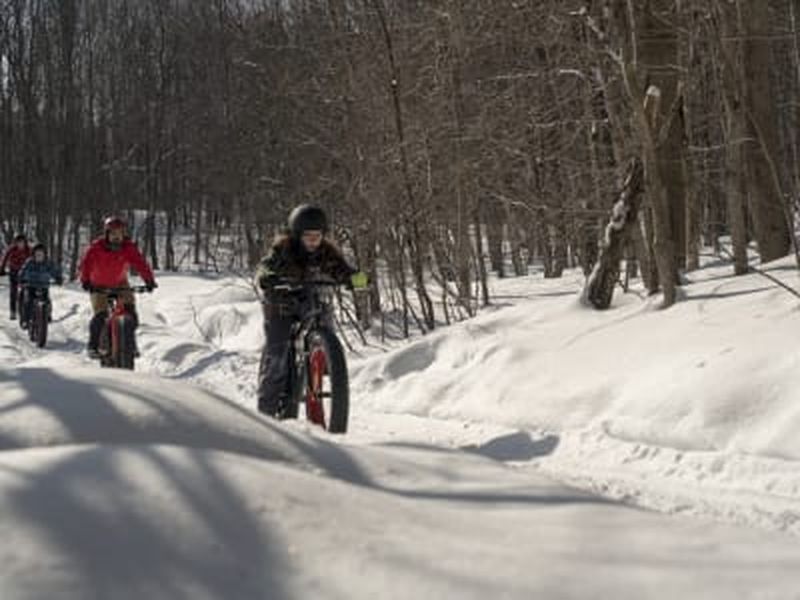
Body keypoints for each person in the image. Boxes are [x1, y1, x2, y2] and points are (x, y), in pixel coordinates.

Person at [254, 204, 368, 416]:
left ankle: (325, 359)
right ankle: (265, 413)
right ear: (297, 235)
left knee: (325, 325)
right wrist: (268, 277)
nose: (314, 241)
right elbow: (265, 267)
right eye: (308, 236)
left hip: (310, 300)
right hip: (281, 302)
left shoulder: (327, 252)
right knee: (277, 357)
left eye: (318, 236)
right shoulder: (283, 249)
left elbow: (343, 271)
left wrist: (359, 279)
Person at [79, 216, 157, 358]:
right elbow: (86, 264)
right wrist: (85, 281)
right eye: (113, 234)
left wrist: (149, 280)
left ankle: (130, 345)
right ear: (107, 234)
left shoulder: (128, 247)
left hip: (120, 283)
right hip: (98, 285)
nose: (117, 237)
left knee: (130, 312)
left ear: (123, 234)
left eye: (119, 234)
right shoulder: (96, 247)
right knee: (101, 315)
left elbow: (140, 263)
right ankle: (93, 346)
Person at [18, 243, 63, 329]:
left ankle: (47, 315)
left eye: (41, 254)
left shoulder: (48, 263)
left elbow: (54, 270)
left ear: (45, 254)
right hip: (31, 285)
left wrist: (58, 278)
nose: (39, 256)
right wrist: (21, 278)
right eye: (37, 254)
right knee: (29, 301)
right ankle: (26, 320)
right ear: (33, 254)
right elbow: (23, 270)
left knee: (47, 301)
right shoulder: (29, 262)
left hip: (43, 286)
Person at [0, 234, 32, 320]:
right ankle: (13, 311)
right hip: (14, 271)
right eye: (19, 243)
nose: (20, 245)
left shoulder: (29, 250)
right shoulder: (12, 249)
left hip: (25, 272)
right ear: (16, 243)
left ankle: (29, 310)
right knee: (13, 291)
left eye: (22, 243)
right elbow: (5, 259)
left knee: (28, 289)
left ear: (25, 243)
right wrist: (2, 269)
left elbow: (33, 259)